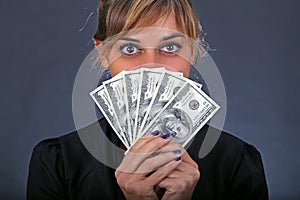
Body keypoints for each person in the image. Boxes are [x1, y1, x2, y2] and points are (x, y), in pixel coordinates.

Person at [27, 0, 269, 199]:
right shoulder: (58, 164)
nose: (151, 66)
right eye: (130, 49)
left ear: (193, 52)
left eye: (171, 47)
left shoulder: (237, 163)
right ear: (102, 54)